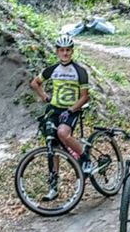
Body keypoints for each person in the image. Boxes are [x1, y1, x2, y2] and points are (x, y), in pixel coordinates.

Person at [29, 35, 92, 179]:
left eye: (68, 50)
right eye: (62, 50)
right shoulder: (52, 69)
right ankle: (54, 180)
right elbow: (35, 83)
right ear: (57, 52)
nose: (65, 53)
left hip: (71, 109)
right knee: (52, 143)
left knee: (63, 133)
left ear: (72, 51)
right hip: (54, 109)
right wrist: (45, 97)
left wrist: (71, 109)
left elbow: (84, 97)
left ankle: (85, 158)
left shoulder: (80, 71)